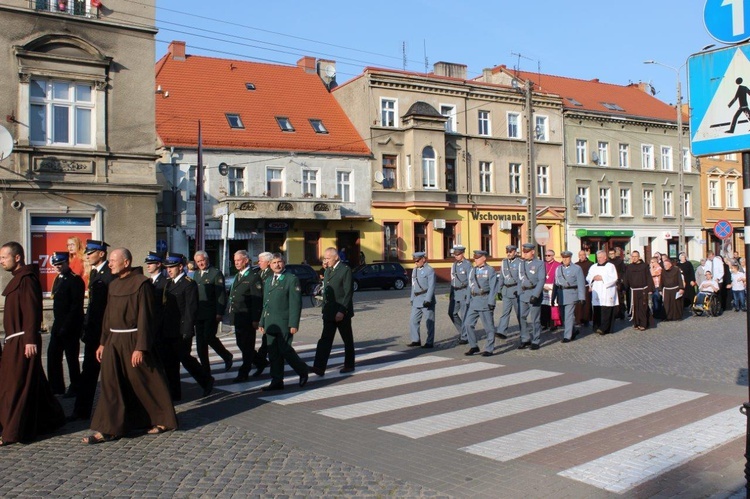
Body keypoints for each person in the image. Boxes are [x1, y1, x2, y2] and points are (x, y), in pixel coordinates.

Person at [83, 248, 177, 444]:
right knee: (110, 383)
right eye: (108, 261)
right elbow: (108, 316)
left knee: (147, 381)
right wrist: (102, 342)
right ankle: (109, 428)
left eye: (113, 261)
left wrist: (141, 347)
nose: (109, 264)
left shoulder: (142, 284)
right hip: (113, 342)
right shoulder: (113, 284)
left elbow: (146, 318)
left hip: (133, 340)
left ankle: (163, 419)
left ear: (126, 262)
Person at [0, 242, 65, 445]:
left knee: (16, 385)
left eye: (4, 257)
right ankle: (51, 418)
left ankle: (12, 432)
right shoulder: (18, 280)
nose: (1, 261)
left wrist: (29, 340)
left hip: (22, 342)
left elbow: (32, 311)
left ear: (17, 257)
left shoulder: (26, 280)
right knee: (32, 382)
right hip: (15, 340)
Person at [70, 239, 115, 421]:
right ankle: (81, 411)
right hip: (94, 331)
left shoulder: (109, 274)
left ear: (101, 253)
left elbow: (109, 307)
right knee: (89, 371)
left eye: (91, 252)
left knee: (109, 373)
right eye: (87, 252)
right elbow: (92, 305)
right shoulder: (96, 273)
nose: (87, 255)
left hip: (105, 332)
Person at [160, 253, 214, 399]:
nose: (169, 270)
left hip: (182, 329)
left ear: (180, 267)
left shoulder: (188, 283)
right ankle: (175, 393)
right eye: (167, 267)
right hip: (169, 329)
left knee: (185, 358)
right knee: (170, 363)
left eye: (172, 267)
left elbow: (191, 309)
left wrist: (188, 330)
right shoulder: (169, 283)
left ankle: (206, 380)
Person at [258, 253, 309, 391]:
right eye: (274, 263)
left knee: (286, 350)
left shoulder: (290, 279)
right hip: (270, 322)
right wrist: (262, 321)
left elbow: (295, 303)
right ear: (270, 265)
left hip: (284, 322)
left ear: (284, 263)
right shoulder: (268, 280)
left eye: (279, 262)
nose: (277, 265)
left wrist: (293, 323)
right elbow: (265, 303)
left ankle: (303, 371)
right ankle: (277, 380)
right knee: (273, 353)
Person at [312, 247, 355, 375]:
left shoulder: (345, 270)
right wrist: (324, 308)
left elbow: (348, 292)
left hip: (342, 312)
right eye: (324, 258)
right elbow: (326, 291)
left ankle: (349, 364)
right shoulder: (328, 271)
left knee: (347, 339)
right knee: (325, 339)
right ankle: (319, 367)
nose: (326, 261)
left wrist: (342, 310)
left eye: (328, 258)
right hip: (329, 311)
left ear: (336, 257)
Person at [48, 251, 85, 397]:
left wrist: (67, 326)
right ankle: (56, 387)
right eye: (55, 265)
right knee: (53, 355)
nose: (57, 267)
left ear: (66, 263)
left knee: (71, 358)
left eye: (60, 264)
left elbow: (76, 306)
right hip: (58, 324)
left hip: (71, 325)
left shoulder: (75, 280)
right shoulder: (58, 279)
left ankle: (75, 386)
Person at [193, 251, 233, 375]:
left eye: (202, 260)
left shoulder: (215, 273)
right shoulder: (196, 275)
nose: (200, 263)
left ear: (207, 259)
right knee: (200, 343)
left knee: (209, 337)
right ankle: (205, 369)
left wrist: (220, 312)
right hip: (199, 314)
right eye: (198, 261)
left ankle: (226, 356)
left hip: (211, 313)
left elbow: (220, 295)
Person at [227, 250, 263, 382]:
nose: (236, 263)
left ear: (246, 260)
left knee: (247, 345)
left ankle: (244, 372)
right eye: (235, 260)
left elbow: (257, 299)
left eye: (239, 260)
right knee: (241, 343)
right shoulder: (239, 275)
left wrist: (255, 319)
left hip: (248, 316)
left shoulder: (253, 277)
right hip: (238, 316)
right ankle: (260, 362)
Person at [463, 250, 498, 356]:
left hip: (484, 301)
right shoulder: (473, 270)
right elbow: (470, 286)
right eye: (475, 258)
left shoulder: (490, 270)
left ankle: (489, 348)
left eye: (477, 258)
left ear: (484, 258)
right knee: (468, 324)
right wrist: (468, 300)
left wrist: (492, 301)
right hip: (474, 301)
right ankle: (474, 346)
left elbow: (493, 288)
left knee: (488, 327)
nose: (475, 260)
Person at [554, 250, 586, 343]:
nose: (565, 259)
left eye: (567, 257)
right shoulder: (558, 269)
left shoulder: (577, 268)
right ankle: (573, 330)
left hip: (571, 294)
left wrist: (582, 297)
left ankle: (567, 336)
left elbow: (581, 283)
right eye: (563, 257)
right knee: (563, 316)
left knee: (568, 315)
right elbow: (556, 283)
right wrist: (554, 297)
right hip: (561, 294)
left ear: (570, 258)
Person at [518, 243, 545, 350]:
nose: (525, 253)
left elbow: (541, 280)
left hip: (534, 293)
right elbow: (520, 279)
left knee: (535, 319)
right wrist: (519, 292)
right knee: (521, 317)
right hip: (523, 294)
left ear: (532, 252)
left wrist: (536, 294)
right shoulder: (521, 264)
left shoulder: (539, 264)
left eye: (527, 252)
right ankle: (525, 339)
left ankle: (536, 340)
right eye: (524, 251)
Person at [251, 252, 274, 377]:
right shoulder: (259, 274)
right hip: (261, 310)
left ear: (268, 262)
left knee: (267, 340)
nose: (259, 263)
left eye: (261, 261)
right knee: (266, 340)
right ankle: (262, 360)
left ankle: (262, 361)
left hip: (268, 311)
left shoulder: (271, 274)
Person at [587, 250, 619, 335]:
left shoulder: (610, 266)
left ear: (605, 257)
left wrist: (602, 277)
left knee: (606, 310)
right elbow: (588, 276)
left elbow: (614, 277)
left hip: (607, 290)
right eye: (598, 257)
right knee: (597, 309)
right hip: (597, 290)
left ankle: (605, 328)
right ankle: (596, 326)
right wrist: (593, 277)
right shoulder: (593, 266)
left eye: (600, 257)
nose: (599, 259)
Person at [408, 252, 436, 348]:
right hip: (417, 299)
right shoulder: (414, 270)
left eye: (418, 260)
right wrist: (412, 298)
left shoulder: (429, 270)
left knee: (429, 321)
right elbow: (413, 285)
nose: (416, 263)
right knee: (413, 320)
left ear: (423, 259)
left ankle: (429, 342)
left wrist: (428, 299)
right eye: (415, 261)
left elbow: (432, 286)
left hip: (426, 299)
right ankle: (416, 340)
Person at [623, 251, 654, 331]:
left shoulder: (644, 266)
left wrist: (650, 289)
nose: (634, 258)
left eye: (636, 256)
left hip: (643, 290)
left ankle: (643, 324)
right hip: (633, 291)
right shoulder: (629, 267)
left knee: (642, 307)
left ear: (639, 257)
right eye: (632, 256)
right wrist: (624, 288)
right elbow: (626, 278)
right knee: (635, 307)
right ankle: (636, 323)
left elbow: (649, 278)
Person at [495, 244, 521, 340]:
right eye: (507, 252)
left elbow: (521, 278)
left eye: (510, 252)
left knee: (519, 313)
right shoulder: (504, 262)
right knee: (505, 312)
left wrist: (519, 290)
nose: (509, 254)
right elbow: (501, 276)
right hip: (506, 290)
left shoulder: (520, 262)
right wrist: (499, 290)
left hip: (515, 291)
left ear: (515, 252)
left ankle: (524, 332)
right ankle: (502, 331)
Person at [448, 245, 472, 344]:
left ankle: (465, 337)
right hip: (455, 292)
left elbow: (471, 281)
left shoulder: (467, 265)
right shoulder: (454, 265)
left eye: (457, 254)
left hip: (464, 291)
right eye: (455, 254)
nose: (456, 256)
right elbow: (452, 280)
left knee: (464, 314)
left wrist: (468, 294)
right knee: (451, 313)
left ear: (462, 254)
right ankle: (463, 331)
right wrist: (451, 294)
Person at [541, 249, 561, 331]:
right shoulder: (542, 264)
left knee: (553, 306)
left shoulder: (558, 265)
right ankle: (544, 323)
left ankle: (553, 324)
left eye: (549, 255)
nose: (547, 257)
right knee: (544, 306)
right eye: (546, 255)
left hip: (553, 287)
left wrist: (553, 286)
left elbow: (559, 277)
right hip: (543, 287)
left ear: (553, 256)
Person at [659, 257, 684, 321]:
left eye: (666, 265)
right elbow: (661, 280)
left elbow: (680, 279)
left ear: (670, 264)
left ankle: (677, 317)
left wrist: (681, 288)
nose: (665, 266)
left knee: (676, 304)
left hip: (675, 289)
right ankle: (667, 317)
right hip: (667, 290)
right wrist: (660, 289)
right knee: (667, 304)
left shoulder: (676, 270)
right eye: (664, 265)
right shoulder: (663, 271)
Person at [574, 250, 593, 327]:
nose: (582, 256)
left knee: (587, 304)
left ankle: (586, 320)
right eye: (580, 255)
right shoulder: (576, 265)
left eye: (583, 255)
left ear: (585, 255)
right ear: (578, 256)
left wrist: (591, 286)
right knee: (578, 304)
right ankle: (578, 319)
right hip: (578, 287)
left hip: (587, 286)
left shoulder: (591, 264)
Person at [650, 256, 665, 320]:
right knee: (654, 300)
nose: (651, 264)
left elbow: (652, 274)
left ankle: (657, 314)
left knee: (657, 300)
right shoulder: (653, 268)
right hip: (653, 286)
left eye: (652, 262)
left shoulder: (659, 268)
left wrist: (651, 267)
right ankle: (655, 313)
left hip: (657, 286)